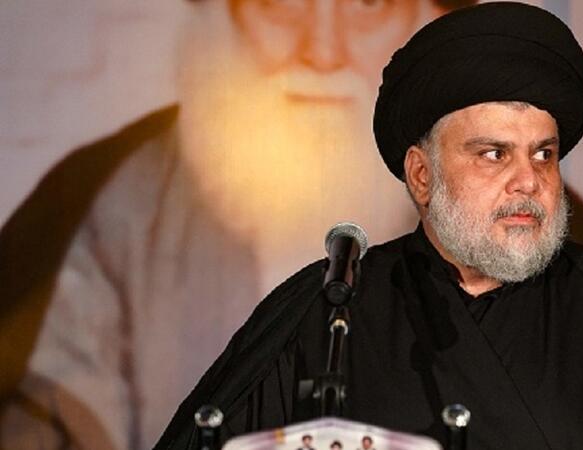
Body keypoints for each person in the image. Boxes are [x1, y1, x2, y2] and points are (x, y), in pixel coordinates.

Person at [154, 3, 583, 450]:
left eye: (544, 155)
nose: (528, 181)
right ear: (422, 176)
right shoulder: (328, 310)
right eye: (494, 154)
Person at [0, 1, 478, 449]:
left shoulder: (498, 205)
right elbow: (50, 418)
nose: (322, 53)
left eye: (369, 3)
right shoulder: (118, 199)